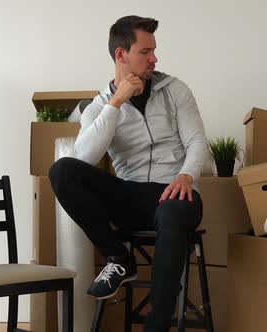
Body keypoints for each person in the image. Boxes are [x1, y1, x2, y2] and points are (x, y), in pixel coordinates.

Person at [49, 15, 208, 331]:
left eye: (154, 51)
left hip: (176, 193)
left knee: (174, 209)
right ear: (121, 55)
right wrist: (117, 102)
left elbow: (196, 140)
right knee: (63, 170)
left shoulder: (175, 90)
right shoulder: (99, 106)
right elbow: (84, 157)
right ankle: (119, 258)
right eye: (145, 51)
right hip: (131, 196)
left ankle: (156, 326)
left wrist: (186, 175)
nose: (154, 58)